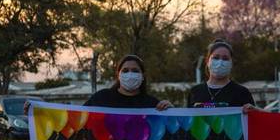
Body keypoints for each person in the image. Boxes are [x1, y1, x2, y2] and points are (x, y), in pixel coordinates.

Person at [25, 55, 172, 112]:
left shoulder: (152, 104)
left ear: (142, 75)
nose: (130, 74)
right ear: (118, 75)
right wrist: (38, 112)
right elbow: (75, 118)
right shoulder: (101, 99)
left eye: (135, 70)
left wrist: (171, 112)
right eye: (125, 70)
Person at [187, 39, 256, 109]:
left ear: (231, 63)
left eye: (225, 58)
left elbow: (254, 118)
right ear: (207, 61)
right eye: (216, 58)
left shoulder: (242, 93)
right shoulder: (195, 92)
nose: (220, 62)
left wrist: (255, 111)